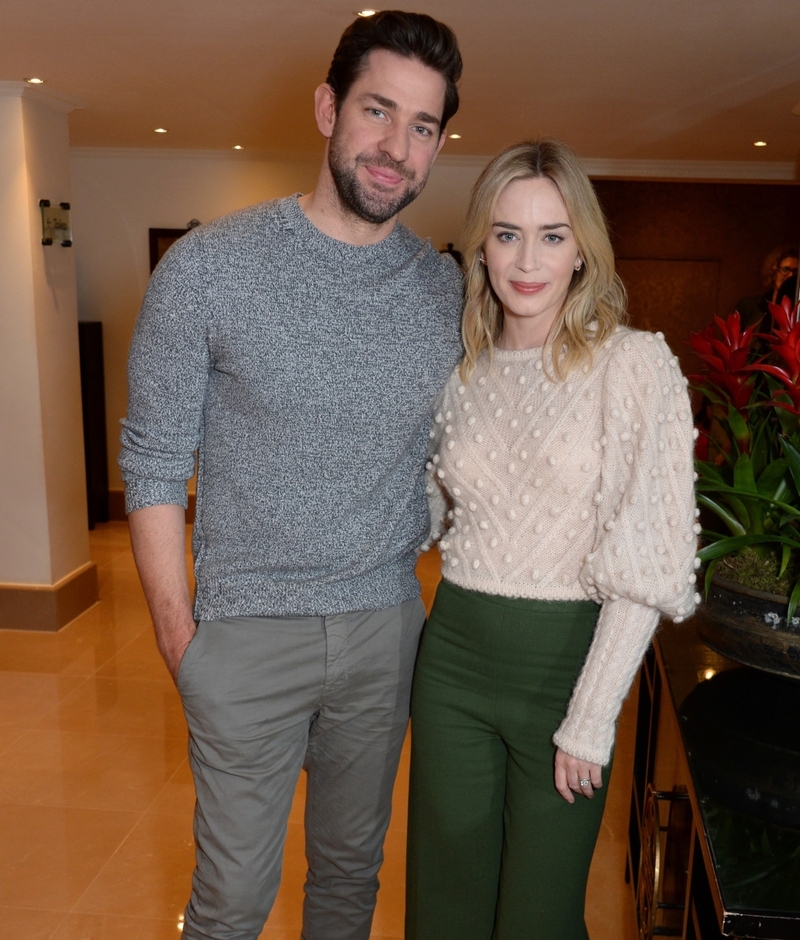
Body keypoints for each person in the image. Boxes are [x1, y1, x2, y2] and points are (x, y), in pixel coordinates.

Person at [119, 12, 463, 940]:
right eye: (378, 111)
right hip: (244, 634)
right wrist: (181, 640)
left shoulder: (441, 292)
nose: (396, 148)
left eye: (423, 126)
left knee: (351, 878)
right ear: (327, 108)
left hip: (386, 630)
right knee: (231, 902)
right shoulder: (206, 271)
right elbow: (150, 462)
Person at [406, 139, 700, 940]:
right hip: (455, 658)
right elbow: (431, 513)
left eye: (552, 234)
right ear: (481, 247)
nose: (526, 259)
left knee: (537, 913)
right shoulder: (461, 368)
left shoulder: (633, 366)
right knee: (445, 899)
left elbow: (648, 565)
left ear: (583, 251)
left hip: (567, 666)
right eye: (506, 234)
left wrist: (592, 715)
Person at [736, 244, 799, 327]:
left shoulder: (798, 310)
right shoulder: (749, 305)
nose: (790, 275)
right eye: (785, 269)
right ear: (774, 270)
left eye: (795, 271)